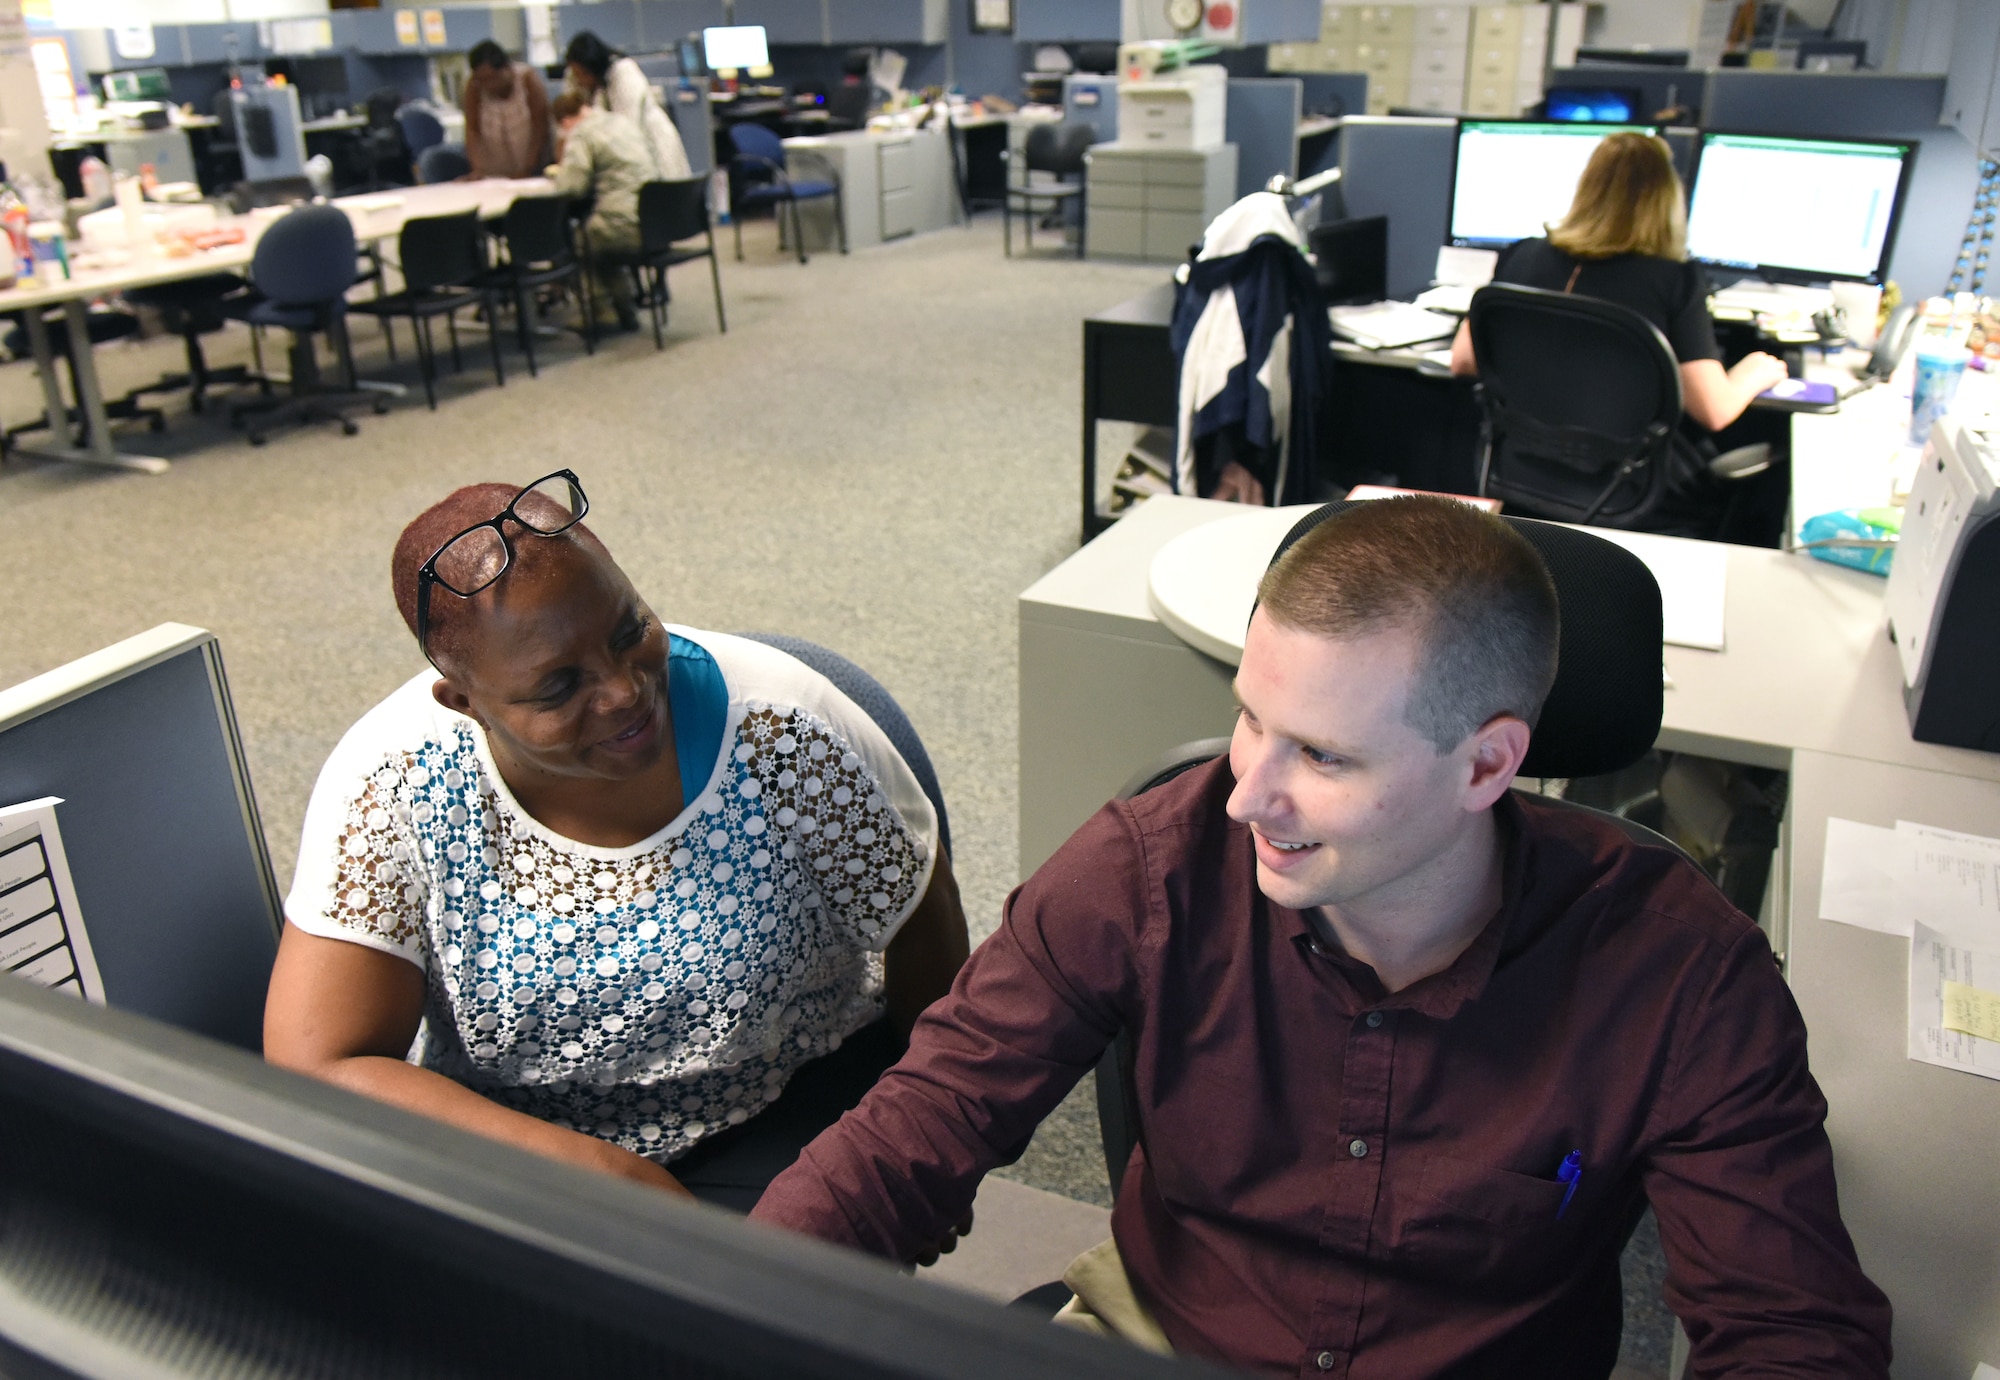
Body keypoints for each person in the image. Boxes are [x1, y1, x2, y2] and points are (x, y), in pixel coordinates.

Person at [752, 496, 1892, 1378]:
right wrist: (725, 1308)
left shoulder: (1677, 972)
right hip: (1170, 1337)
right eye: (1253, 719)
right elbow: (920, 1125)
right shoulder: (1150, 865)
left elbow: (1787, 1327)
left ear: (1487, 762)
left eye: (1325, 756)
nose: (1247, 794)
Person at [264, 472, 970, 1212]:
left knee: (731, 1313)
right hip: (514, 1143)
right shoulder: (394, 779)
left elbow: (922, 921)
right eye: (559, 687)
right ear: (464, 702)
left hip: (780, 1106)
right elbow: (321, 1059)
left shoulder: (781, 727)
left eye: (629, 630)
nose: (624, 691)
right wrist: (611, 1176)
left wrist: (925, 1148)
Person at [1449, 132, 1790, 536]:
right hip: (1631, 489)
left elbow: (1462, 362)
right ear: (1667, 201)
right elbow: (1713, 410)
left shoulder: (1521, 256)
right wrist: (1756, 370)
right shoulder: (1674, 280)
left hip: (1521, 475)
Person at [547, 91, 656, 332]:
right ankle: (625, 312)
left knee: (577, 242)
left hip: (623, 226)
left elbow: (571, 187)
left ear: (564, 122)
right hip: (654, 222)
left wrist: (557, 172)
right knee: (601, 243)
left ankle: (600, 312)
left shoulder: (582, 133)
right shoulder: (621, 122)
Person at [565, 31, 693, 181]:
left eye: (582, 73)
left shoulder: (623, 72)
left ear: (592, 65)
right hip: (633, 154)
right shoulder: (598, 86)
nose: (579, 79)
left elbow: (627, 127)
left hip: (652, 144)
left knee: (664, 192)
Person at [462, 39, 551, 181]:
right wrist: (477, 170)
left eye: (493, 78)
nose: (489, 86)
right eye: (482, 80)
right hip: (494, 172)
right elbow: (472, 131)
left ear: (507, 68)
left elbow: (540, 127)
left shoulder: (527, 79)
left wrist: (527, 168)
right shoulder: (474, 87)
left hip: (531, 168)